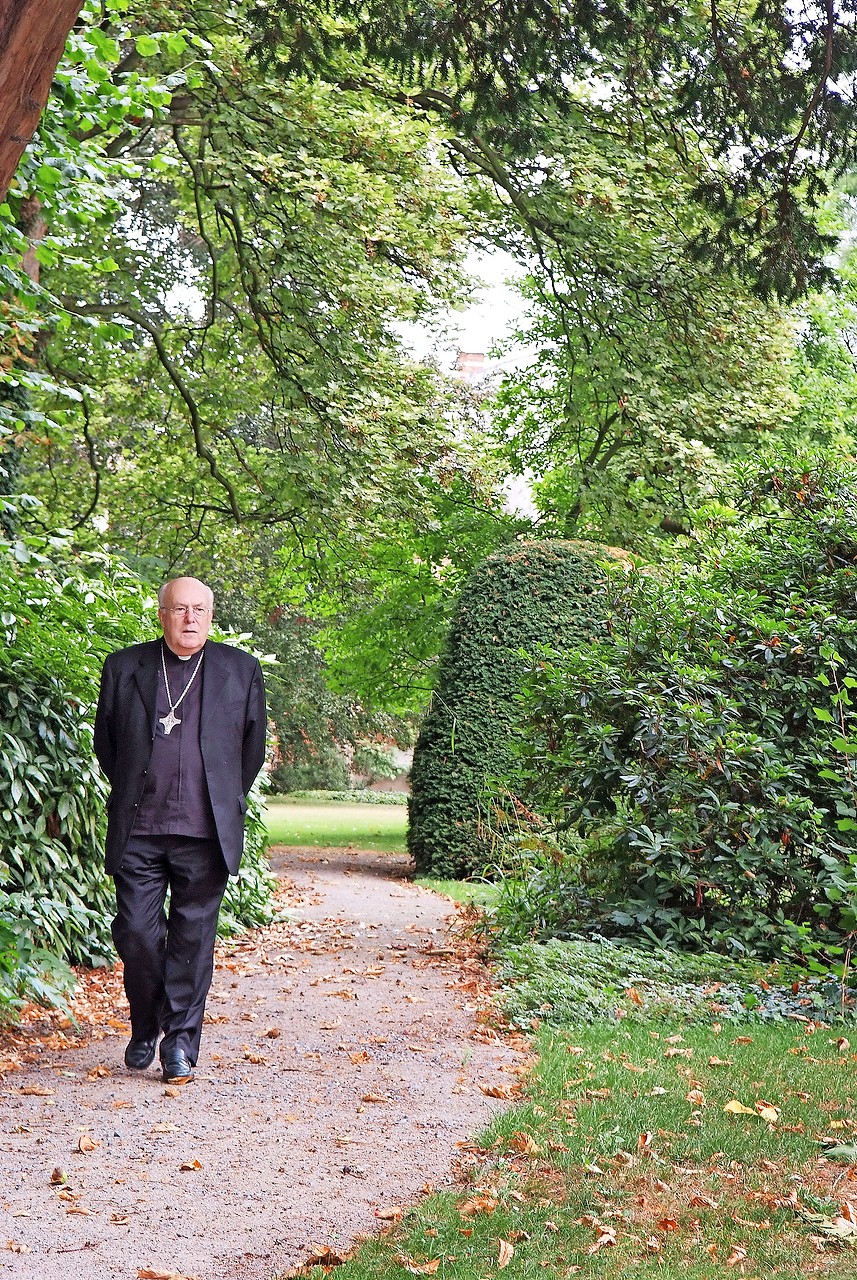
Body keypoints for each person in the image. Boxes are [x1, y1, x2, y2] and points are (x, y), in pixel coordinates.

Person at [94, 576, 267, 1084]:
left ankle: (180, 1046)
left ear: (211, 616)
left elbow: (249, 753)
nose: (190, 619)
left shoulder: (241, 670)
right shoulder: (125, 667)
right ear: (163, 614)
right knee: (137, 935)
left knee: (193, 940)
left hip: (204, 831)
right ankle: (147, 1024)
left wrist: (216, 795)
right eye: (180, 610)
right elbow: (109, 746)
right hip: (139, 829)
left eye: (199, 610)